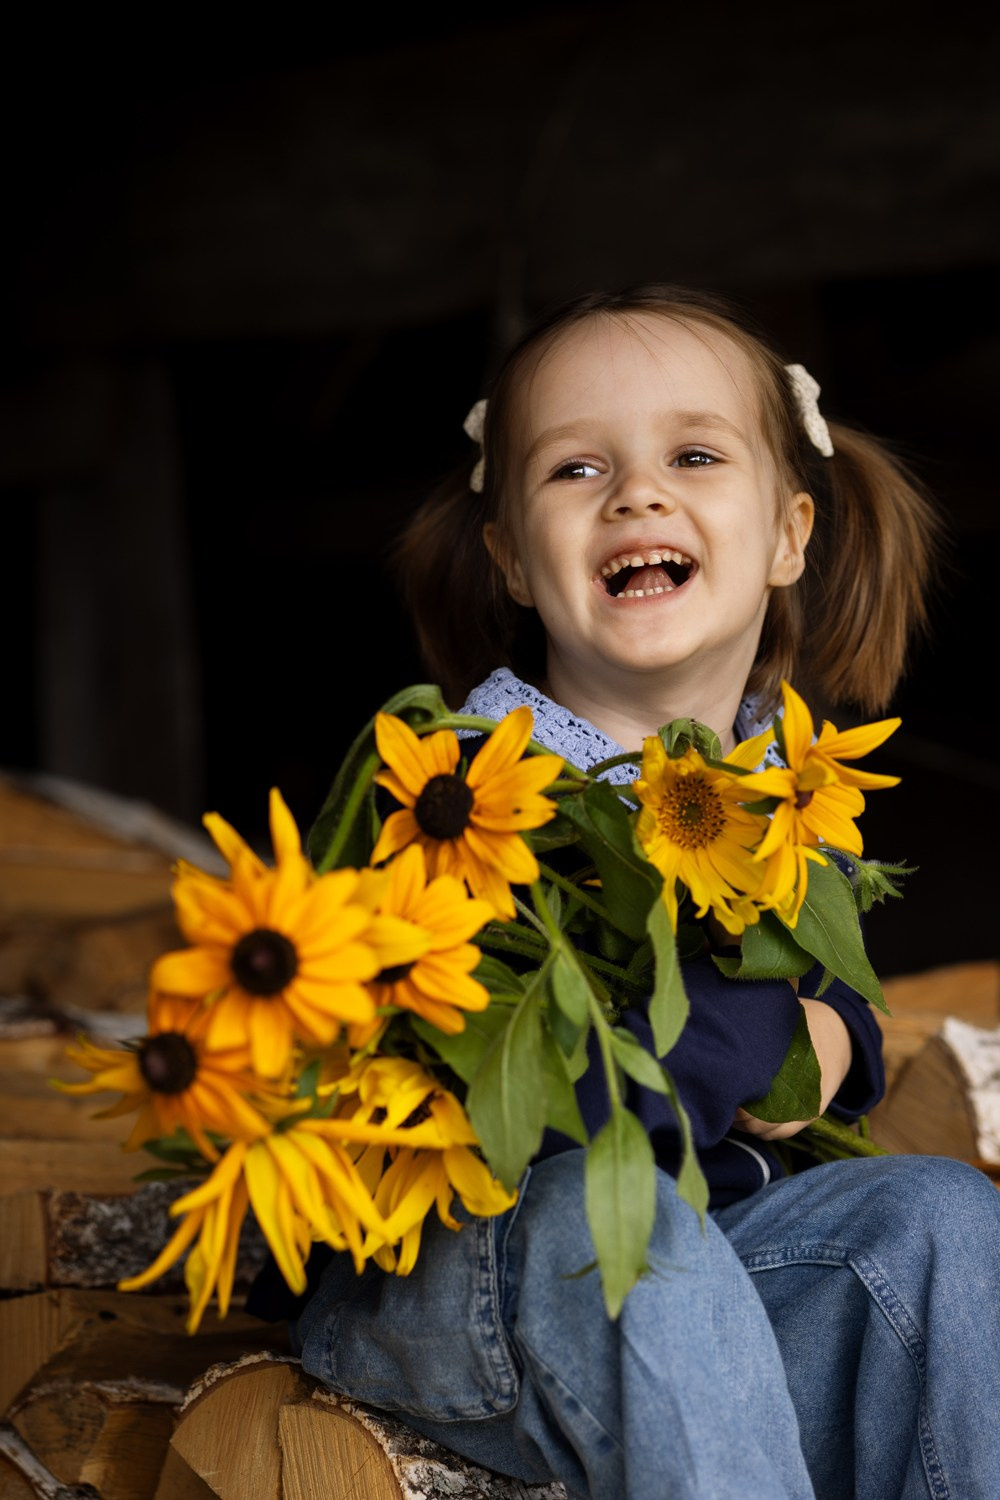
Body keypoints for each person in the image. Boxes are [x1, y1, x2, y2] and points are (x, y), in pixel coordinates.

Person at [280, 286, 1000, 1498]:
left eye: (695, 454)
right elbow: (516, 1109)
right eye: (576, 469)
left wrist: (840, 1032)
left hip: (703, 1284)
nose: (637, 494)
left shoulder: (781, 789)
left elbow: (813, 988)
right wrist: (763, 1038)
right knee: (621, 1222)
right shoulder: (457, 792)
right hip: (459, 1284)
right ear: (510, 556)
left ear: (788, 536)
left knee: (935, 1217)